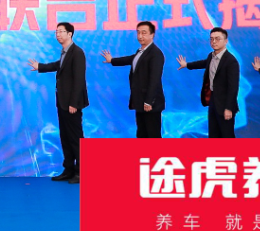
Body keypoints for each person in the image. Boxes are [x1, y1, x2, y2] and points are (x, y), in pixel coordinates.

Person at [28, 22, 88, 184]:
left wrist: (74, 103)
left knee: (75, 137)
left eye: (61, 31)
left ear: (70, 34)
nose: (58, 34)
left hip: (71, 104)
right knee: (65, 137)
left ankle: (81, 171)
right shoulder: (65, 52)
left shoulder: (77, 52)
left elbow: (79, 79)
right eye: (56, 32)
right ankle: (68, 169)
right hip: (63, 102)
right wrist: (40, 66)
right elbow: (58, 65)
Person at [100, 21, 165, 138]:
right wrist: (112, 60)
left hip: (150, 103)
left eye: (144, 33)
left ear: (152, 35)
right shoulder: (141, 51)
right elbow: (131, 59)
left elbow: (154, 79)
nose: (140, 36)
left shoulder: (156, 54)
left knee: (153, 134)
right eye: (138, 32)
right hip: (140, 100)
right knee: (142, 133)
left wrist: (149, 101)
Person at [177, 27, 240, 138]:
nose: (214, 42)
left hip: (225, 103)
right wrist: (187, 65)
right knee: (213, 134)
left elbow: (233, 87)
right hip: (213, 100)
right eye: (211, 39)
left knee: (227, 135)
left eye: (217, 39)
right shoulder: (211, 56)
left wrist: (229, 108)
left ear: (226, 41)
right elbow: (203, 63)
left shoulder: (231, 61)